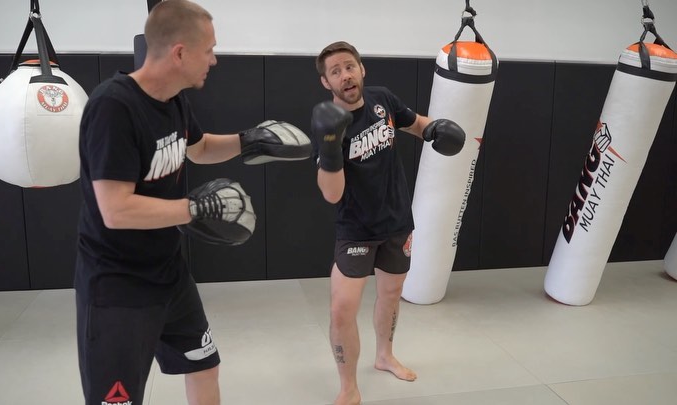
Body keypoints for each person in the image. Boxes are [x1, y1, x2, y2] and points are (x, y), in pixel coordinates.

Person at [74, 2, 310, 404]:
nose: (214, 60)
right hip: (117, 284)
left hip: (169, 272)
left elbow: (198, 149)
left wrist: (250, 141)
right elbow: (116, 210)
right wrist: (194, 208)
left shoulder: (174, 99)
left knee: (203, 365)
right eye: (209, 50)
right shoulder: (114, 107)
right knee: (117, 400)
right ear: (180, 52)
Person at [311, 41, 465, 405]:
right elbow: (331, 193)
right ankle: (348, 386)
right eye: (335, 71)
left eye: (350, 66)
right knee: (341, 309)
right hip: (356, 229)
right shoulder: (328, 124)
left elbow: (415, 124)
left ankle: (384, 356)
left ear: (361, 69)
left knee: (391, 294)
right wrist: (331, 147)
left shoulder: (382, 99)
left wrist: (433, 129)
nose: (345, 76)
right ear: (326, 82)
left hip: (397, 221)